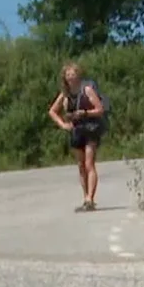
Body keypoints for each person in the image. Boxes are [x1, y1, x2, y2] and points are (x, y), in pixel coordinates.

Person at [48, 62, 107, 211]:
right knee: (81, 166)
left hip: (91, 128)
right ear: (65, 78)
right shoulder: (65, 94)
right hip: (76, 130)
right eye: (68, 75)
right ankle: (85, 197)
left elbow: (100, 109)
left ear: (78, 75)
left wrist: (85, 113)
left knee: (89, 164)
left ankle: (90, 199)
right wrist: (63, 124)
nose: (71, 77)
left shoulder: (86, 90)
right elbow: (52, 111)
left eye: (73, 74)